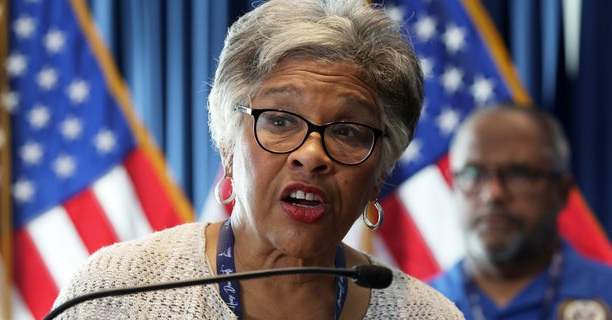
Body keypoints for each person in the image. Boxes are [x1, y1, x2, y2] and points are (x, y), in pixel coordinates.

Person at [49, 0, 463, 318]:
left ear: (379, 174)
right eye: (281, 121)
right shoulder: (119, 289)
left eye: (347, 131)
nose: (311, 154)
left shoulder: (427, 314)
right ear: (228, 146)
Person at [429, 104, 612, 319]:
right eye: (474, 173)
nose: (493, 194)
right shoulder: (414, 307)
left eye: (518, 174)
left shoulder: (605, 294)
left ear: (562, 193)